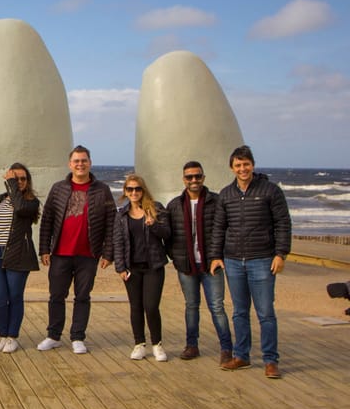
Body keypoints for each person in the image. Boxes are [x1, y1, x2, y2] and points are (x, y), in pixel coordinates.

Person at [210, 145, 291, 379]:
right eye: (238, 165)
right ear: (232, 168)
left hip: (262, 260)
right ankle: (242, 356)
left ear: (252, 165)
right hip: (233, 261)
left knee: (265, 312)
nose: (242, 168)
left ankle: (270, 360)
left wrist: (281, 254)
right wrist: (216, 256)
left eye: (246, 164)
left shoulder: (270, 191)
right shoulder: (226, 194)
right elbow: (219, 228)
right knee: (239, 312)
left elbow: (283, 224)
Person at [37, 145, 116, 354]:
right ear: (70, 164)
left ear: (90, 163)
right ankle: (53, 335)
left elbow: (111, 222)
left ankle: (78, 337)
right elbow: (47, 220)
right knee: (56, 296)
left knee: (82, 296)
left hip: (88, 254)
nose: (80, 164)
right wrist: (44, 248)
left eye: (84, 160)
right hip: (61, 253)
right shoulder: (58, 188)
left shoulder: (102, 190)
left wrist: (109, 253)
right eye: (76, 161)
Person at [166, 161, 233, 365]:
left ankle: (226, 348)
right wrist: (177, 260)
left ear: (203, 178)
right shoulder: (175, 205)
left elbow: (224, 231)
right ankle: (192, 345)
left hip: (211, 265)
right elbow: (169, 236)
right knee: (191, 306)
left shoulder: (217, 201)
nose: (194, 180)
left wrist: (217, 257)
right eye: (189, 177)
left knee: (217, 307)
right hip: (186, 266)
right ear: (184, 179)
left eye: (197, 176)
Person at [0, 163, 41, 354]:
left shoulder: (30, 202)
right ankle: (2, 335)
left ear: (27, 181)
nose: (19, 182)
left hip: (18, 253)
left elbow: (20, 208)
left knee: (14, 296)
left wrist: (11, 184)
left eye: (22, 179)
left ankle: (12, 336)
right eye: (15, 178)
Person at [113, 175, 171, 361]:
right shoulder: (121, 214)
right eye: (130, 189)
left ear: (143, 190)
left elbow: (167, 234)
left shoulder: (156, 209)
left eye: (137, 189)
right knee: (135, 307)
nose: (134, 193)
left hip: (153, 266)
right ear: (125, 192)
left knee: (151, 306)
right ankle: (139, 344)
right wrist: (120, 267)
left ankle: (157, 344)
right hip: (132, 268)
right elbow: (118, 242)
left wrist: (153, 224)